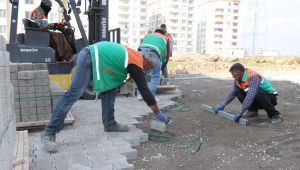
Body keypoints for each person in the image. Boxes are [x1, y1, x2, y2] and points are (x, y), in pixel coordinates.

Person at [41, 41, 171, 153]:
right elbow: (145, 92)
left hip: (97, 58)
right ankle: (49, 132)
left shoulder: (134, 56)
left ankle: (109, 124)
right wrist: (159, 114)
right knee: (74, 94)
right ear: (146, 60)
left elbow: (118, 70)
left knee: (110, 89)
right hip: (89, 57)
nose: (147, 71)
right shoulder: (137, 62)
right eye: (149, 68)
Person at [214, 63, 283, 124]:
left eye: (234, 74)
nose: (233, 77)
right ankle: (253, 110)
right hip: (258, 98)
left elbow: (250, 95)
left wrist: (241, 111)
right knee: (237, 91)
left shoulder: (253, 77)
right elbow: (233, 92)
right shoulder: (238, 79)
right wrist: (223, 104)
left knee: (258, 93)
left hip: (270, 98)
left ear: (239, 72)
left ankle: (275, 115)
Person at [137, 28, 170, 100]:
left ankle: (139, 94)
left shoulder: (148, 36)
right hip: (154, 52)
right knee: (155, 76)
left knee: (141, 74)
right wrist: (163, 64)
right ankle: (150, 97)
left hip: (140, 52)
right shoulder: (165, 38)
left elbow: (141, 44)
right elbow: (166, 54)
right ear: (163, 33)